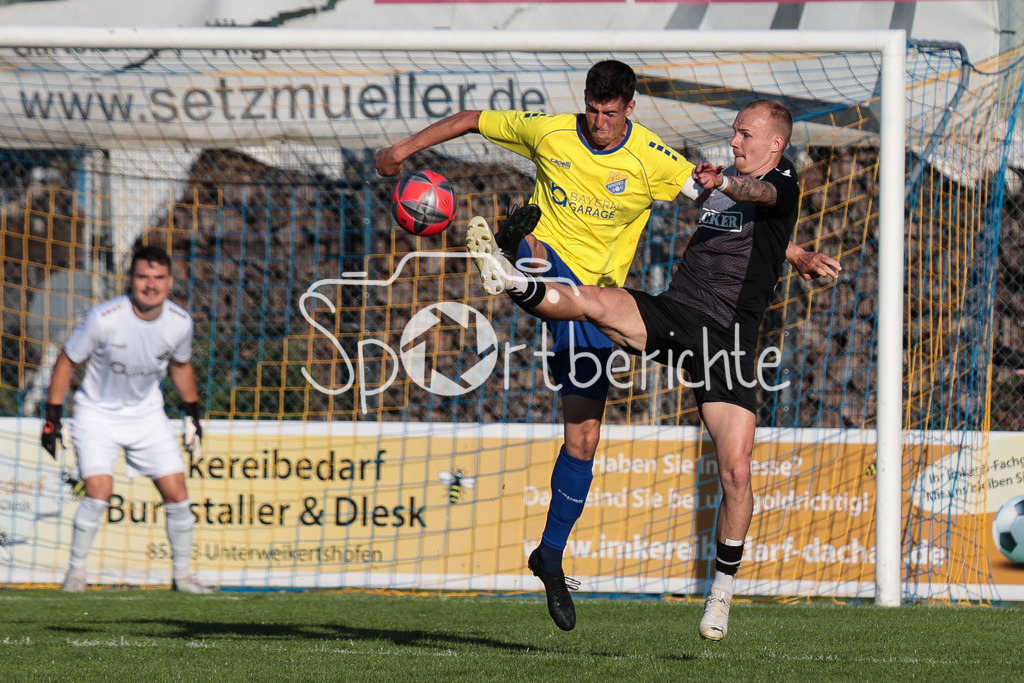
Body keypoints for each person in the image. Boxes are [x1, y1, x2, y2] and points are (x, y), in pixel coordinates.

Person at [377, 63, 835, 632]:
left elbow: (761, 203)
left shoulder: (676, 163)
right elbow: (473, 118)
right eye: (592, 108)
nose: (598, 121)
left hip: (712, 333)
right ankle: (514, 268)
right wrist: (400, 150)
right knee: (565, 278)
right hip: (588, 282)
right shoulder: (550, 132)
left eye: (610, 112)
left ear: (630, 110)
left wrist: (795, 253)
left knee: (599, 439)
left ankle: (557, 557)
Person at [40, 245, 211, 594]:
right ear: (130, 280)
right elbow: (68, 360)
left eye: (159, 277)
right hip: (96, 413)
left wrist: (193, 414)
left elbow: (181, 366)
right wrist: (52, 418)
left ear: (170, 281)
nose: (151, 285)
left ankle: (183, 576)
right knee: (99, 492)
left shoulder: (180, 323)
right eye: (143, 277)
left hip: (147, 414)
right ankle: (76, 573)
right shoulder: (105, 317)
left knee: (178, 494)